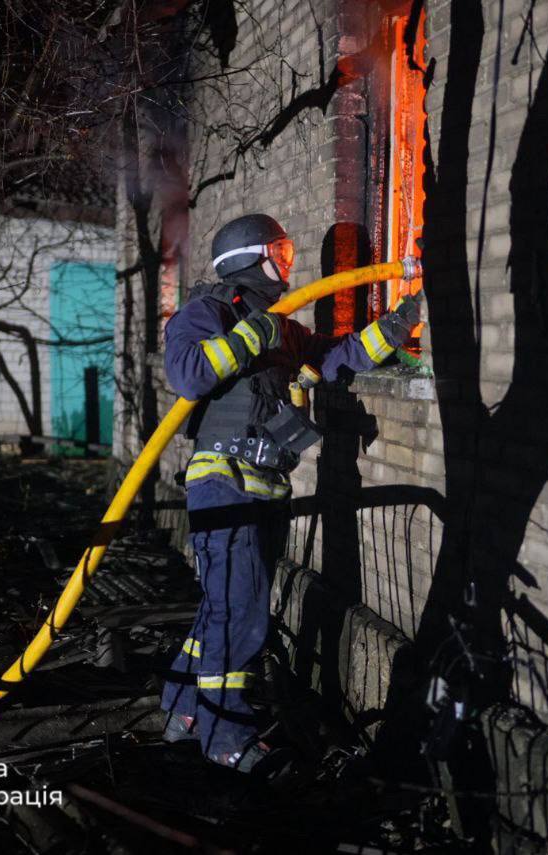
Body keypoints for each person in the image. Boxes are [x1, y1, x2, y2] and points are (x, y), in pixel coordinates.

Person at [158, 213, 422, 772]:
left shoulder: (281, 327)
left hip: (264, 489)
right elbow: (185, 374)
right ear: (253, 258)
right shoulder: (207, 312)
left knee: (223, 609)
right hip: (223, 486)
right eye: (280, 250)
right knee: (243, 616)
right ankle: (227, 739)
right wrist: (249, 335)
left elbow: (337, 357)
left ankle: (182, 710)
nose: (289, 261)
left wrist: (400, 324)